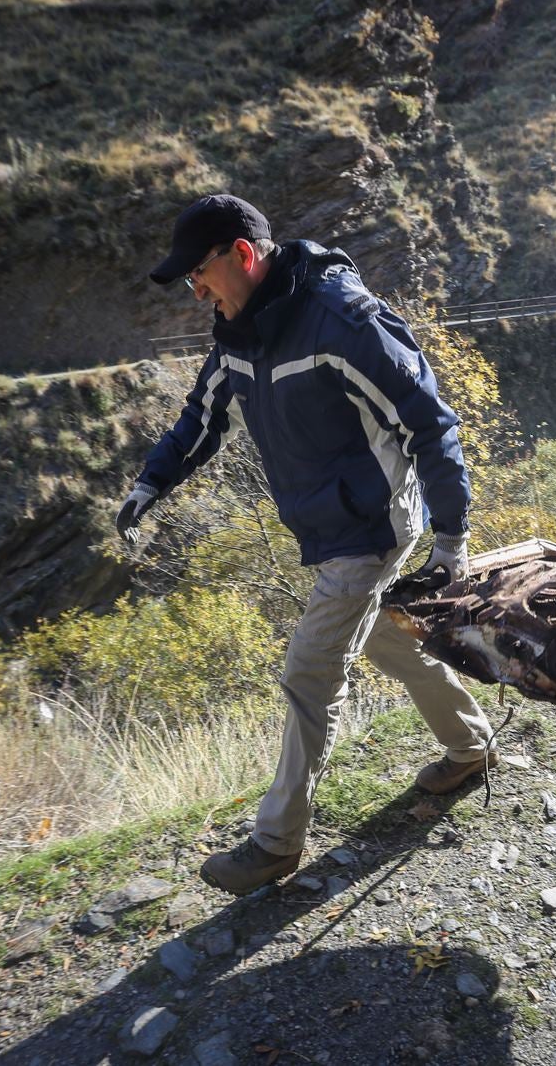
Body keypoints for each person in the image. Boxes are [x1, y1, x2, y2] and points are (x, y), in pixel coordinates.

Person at [116, 194, 497, 895]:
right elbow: (202, 417)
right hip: (327, 525)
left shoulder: (342, 322)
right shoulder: (237, 332)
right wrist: (152, 482)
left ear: (243, 255)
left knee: (310, 669)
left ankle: (276, 840)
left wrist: (453, 538)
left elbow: (430, 423)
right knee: (386, 638)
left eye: (199, 272)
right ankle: (471, 746)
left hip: (374, 522)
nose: (195, 290)